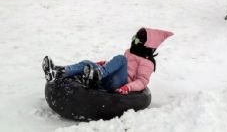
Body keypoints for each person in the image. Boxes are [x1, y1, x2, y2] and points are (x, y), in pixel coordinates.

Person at [42, 28, 173, 94]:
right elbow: (114, 65)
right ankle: (58, 72)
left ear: (147, 45)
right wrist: (101, 65)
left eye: (138, 41)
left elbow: (142, 82)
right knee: (87, 62)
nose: (134, 42)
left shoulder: (147, 62)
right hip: (107, 76)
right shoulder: (129, 52)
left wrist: (128, 87)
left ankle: (97, 74)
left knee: (121, 59)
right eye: (134, 38)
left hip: (119, 84)